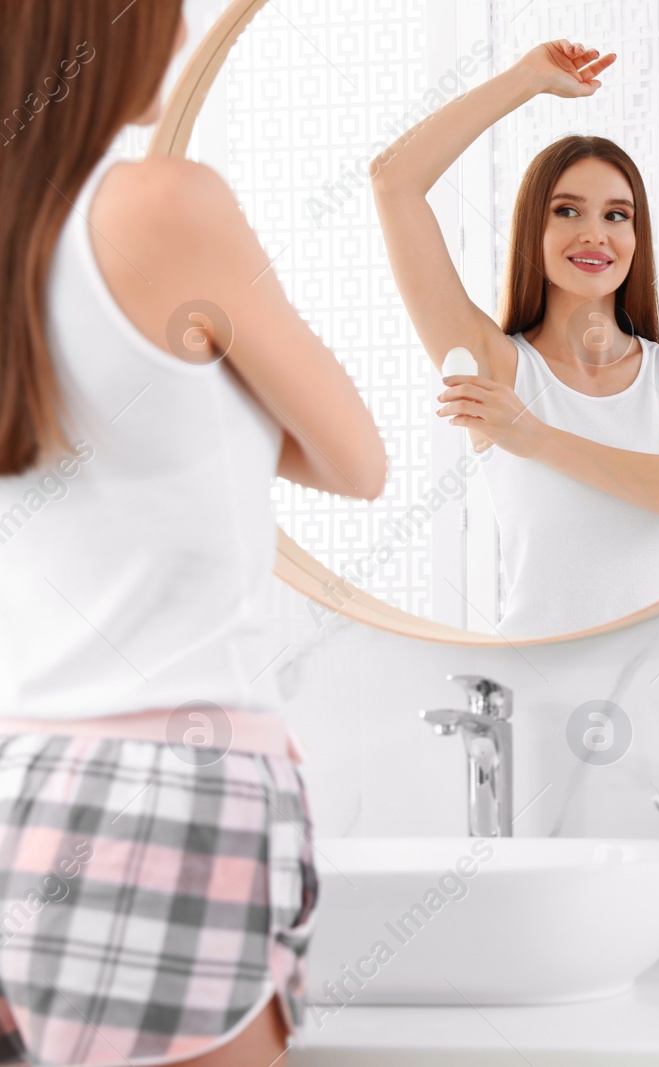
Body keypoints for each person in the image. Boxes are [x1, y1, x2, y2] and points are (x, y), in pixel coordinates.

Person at [0, 2, 386, 1063]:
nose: (176, 39)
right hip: (173, 791)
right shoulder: (163, 206)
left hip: (28, 780)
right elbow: (357, 458)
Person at [372, 39, 659, 638]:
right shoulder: (496, 365)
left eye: (617, 215)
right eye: (567, 210)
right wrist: (525, 79)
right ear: (531, 229)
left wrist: (532, 436)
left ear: (636, 238)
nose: (595, 233)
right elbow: (393, 182)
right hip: (537, 684)